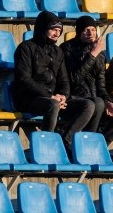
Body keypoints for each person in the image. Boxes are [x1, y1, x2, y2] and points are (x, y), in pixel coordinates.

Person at [13, 11, 95, 153]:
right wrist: (50, 96)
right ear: (42, 28)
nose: (57, 34)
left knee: (88, 105)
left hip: (54, 98)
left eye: (59, 30)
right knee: (52, 104)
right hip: (29, 98)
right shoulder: (26, 48)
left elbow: (64, 80)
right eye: (53, 29)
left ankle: (65, 139)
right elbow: (24, 79)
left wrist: (64, 95)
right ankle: (47, 146)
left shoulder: (58, 51)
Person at [61, 16, 113, 144]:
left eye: (93, 29)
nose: (91, 33)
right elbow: (74, 79)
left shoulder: (100, 54)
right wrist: (92, 55)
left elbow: (101, 85)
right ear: (79, 32)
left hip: (96, 100)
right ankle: (89, 140)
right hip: (74, 99)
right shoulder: (67, 49)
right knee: (97, 102)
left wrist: (108, 102)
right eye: (86, 30)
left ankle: (102, 142)